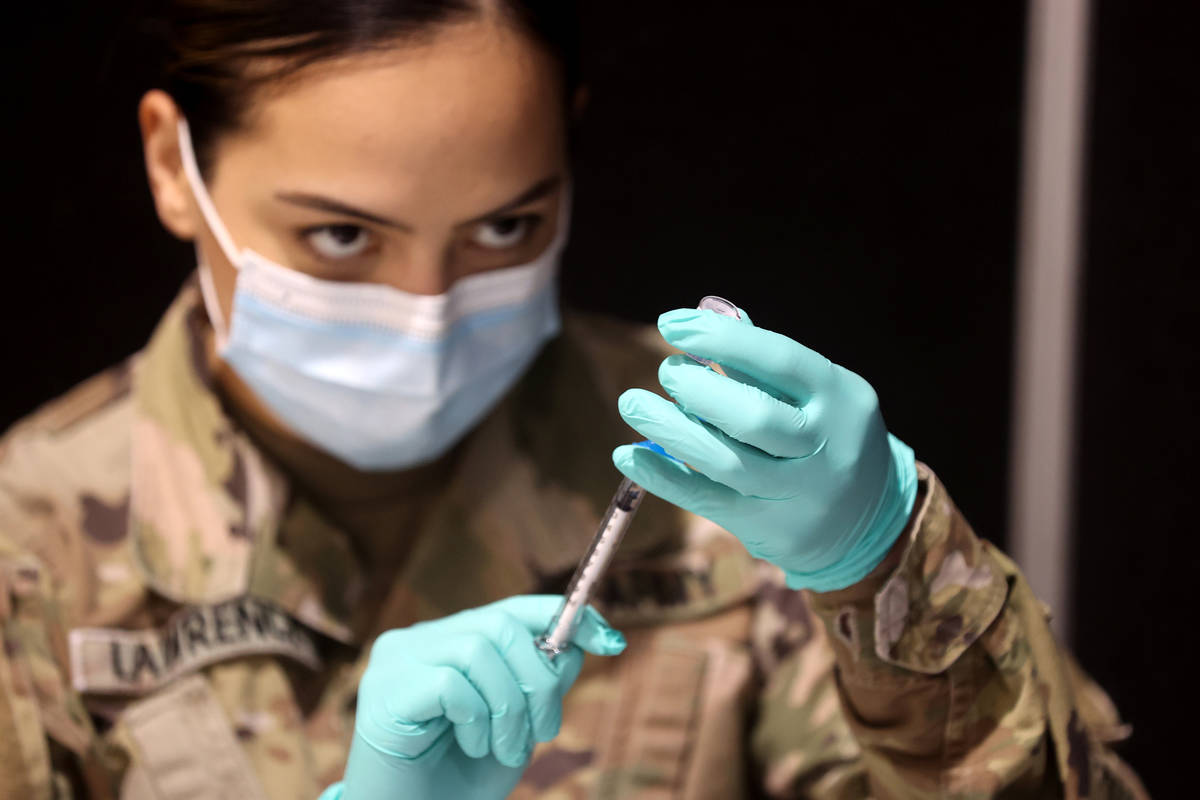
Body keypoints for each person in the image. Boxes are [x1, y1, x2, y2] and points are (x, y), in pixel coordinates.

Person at [0, 2, 1147, 798]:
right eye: (342, 235)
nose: (431, 306)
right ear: (170, 163)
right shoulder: (29, 548)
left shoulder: (715, 475)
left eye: (506, 226)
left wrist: (888, 564)